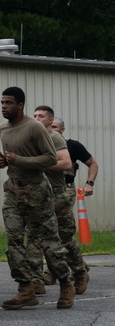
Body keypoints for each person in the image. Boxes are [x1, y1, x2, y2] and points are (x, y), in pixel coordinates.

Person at [0, 87, 74, 310]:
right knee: (13, 242)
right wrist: (6, 162)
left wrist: (19, 159)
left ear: (20, 105)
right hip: (12, 189)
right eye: (2, 103)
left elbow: (50, 158)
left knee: (48, 240)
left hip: (36, 190)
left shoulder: (34, 127)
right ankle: (25, 289)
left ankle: (66, 283)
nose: (4, 107)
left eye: (9, 103)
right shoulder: (3, 128)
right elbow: (12, 159)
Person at [26, 106, 78, 293]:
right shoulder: (31, 137)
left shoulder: (55, 138)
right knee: (33, 238)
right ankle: (36, 280)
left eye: (41, 116)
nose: (36, 118)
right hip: (37, 194)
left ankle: (79, 273)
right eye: (34, 116)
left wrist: (39, 162)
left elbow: (66, 164)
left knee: (64, 238)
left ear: (50, 120)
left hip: (57, 194)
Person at [52, 115, 97, 293]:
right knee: (44, 232)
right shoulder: (40, 144)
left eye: (56, 126)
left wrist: (89, 183)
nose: (53, 129)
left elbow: (92, 163)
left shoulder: (73, 146)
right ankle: (73, 266)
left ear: (62, 129)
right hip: (44, 190)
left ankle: (74, 271)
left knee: (61, 231)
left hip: (65, 189)